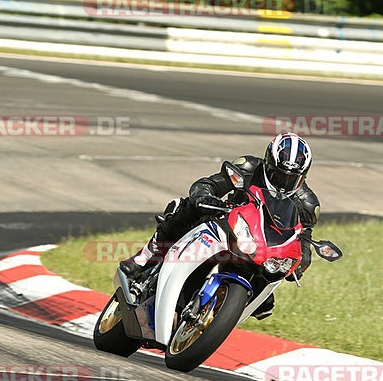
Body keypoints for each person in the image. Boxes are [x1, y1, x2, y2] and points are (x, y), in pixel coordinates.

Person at [119, 132, 320, 320]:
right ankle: (147, 255)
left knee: (268, 290)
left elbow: (303, 240)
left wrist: (301, 262)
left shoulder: (307, 204)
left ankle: (222, 313)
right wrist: (203, 196)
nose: (284, 182)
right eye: (279, 174)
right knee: (187, 207)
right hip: (225, 223)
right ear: (268, 163)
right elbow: (211, 184)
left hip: (260, 248)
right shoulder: (249, 167)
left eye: (291, 178)